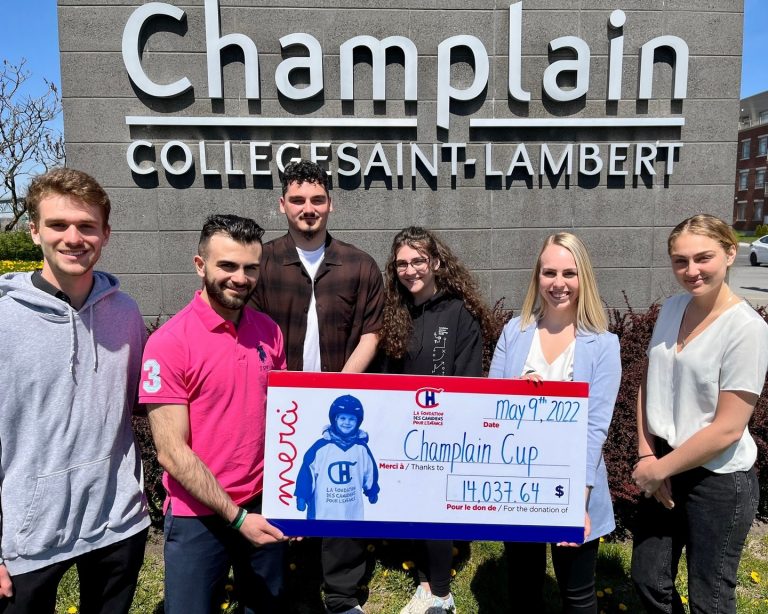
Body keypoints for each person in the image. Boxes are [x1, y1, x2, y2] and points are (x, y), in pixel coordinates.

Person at [0, 168, 150, 613]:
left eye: (87, 226)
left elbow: (144, 403)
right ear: (34, 231)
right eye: (58, 225)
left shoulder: (125, 312)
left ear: (105, 234)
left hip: (118, 520)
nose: (73, 237)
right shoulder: (4, 320)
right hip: (29, 535)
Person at [252, 160, 384, 614]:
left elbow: (371, 333)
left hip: (339, 404)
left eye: (317, 200)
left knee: (342, 497)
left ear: (331, 203)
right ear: (282, 205)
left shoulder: (359, 265)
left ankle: (343, 596)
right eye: (298, 200)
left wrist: (337, 389)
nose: (308, 209)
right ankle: (300, 590)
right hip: (278, 405)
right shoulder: (263, 261)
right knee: (295, 491)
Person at [140, 214, 288, 614]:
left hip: (261, 505)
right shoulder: (169, 343)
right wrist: (237, 518)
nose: (240, 278)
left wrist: (296, 504)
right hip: (197, 518)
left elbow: (285, 422)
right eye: (227, 265)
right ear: (200, 265)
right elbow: (171, 452)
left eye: (250, 268)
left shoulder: (270, 333)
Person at [631, 214, 768, 614]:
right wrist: (647, 456)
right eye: (680, 261)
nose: (691, 271)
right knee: (648, 579)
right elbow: (647, 380)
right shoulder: (672, 308)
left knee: (709, 599)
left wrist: (660, 470)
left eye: (702, 258)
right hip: (665, 465)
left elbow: (728, 428)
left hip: (719, 480)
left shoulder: (746, 328)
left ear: (730, 253)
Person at [489, 232, 621, 614]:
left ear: (584, 279)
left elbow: (596, 429)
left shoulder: (603, 344)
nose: (558, 283)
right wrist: (517, 394)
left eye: (569, 273)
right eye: (549, 272)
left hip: (574, 487)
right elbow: (490, 409)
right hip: (518, 487)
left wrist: (575, 506)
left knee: (577, 595)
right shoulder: (515, 332)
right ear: (537, 276)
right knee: (523, 588)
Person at [377, 226, 491, 614]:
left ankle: (441, 593)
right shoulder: (394, 312)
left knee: (436, 509)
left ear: (437, 262)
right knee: (413, 508)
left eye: (418, 261)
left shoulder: (459, 312)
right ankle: (425, 582)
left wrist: (449, 423)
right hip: (403, 428)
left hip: (444, 428)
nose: (410, 270)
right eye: (402, 264)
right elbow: (388, 373)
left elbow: (468, 375)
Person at [295, 395, 379, 520]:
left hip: (352, 512)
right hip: (322, 513)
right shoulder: (321, 447)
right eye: (343, 418)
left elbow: (370, 471)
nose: (347, 422)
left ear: (358, 421)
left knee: (348, 537)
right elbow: (307, 473)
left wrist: (371, 490)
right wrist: (302, 495)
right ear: (335, 419)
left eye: (352, 419)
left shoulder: (361, 448)